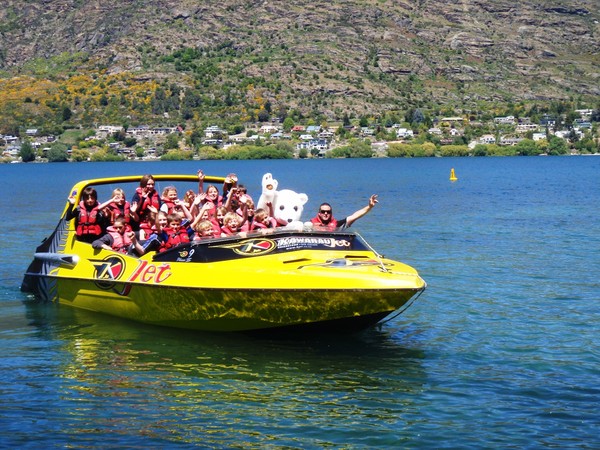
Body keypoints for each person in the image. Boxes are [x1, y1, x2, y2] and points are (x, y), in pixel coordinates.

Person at [310, 194, 379, 231]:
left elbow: (355, 216)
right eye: (323, 211)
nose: (325, 213)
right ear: (319, 213)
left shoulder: (338, 225)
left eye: (328, 212)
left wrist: (369, 206)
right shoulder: (310, 225)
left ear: (331, 213)